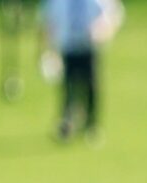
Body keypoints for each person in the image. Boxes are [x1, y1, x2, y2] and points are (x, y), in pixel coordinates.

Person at [40, 0, 124, 142]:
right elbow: (48, 22)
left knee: (90, 85)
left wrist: (102, 30)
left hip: (88, 47)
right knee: (68, 86)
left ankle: (91, 124)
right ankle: (67, 122)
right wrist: (47, 50)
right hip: (68, 47)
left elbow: (112, 14)